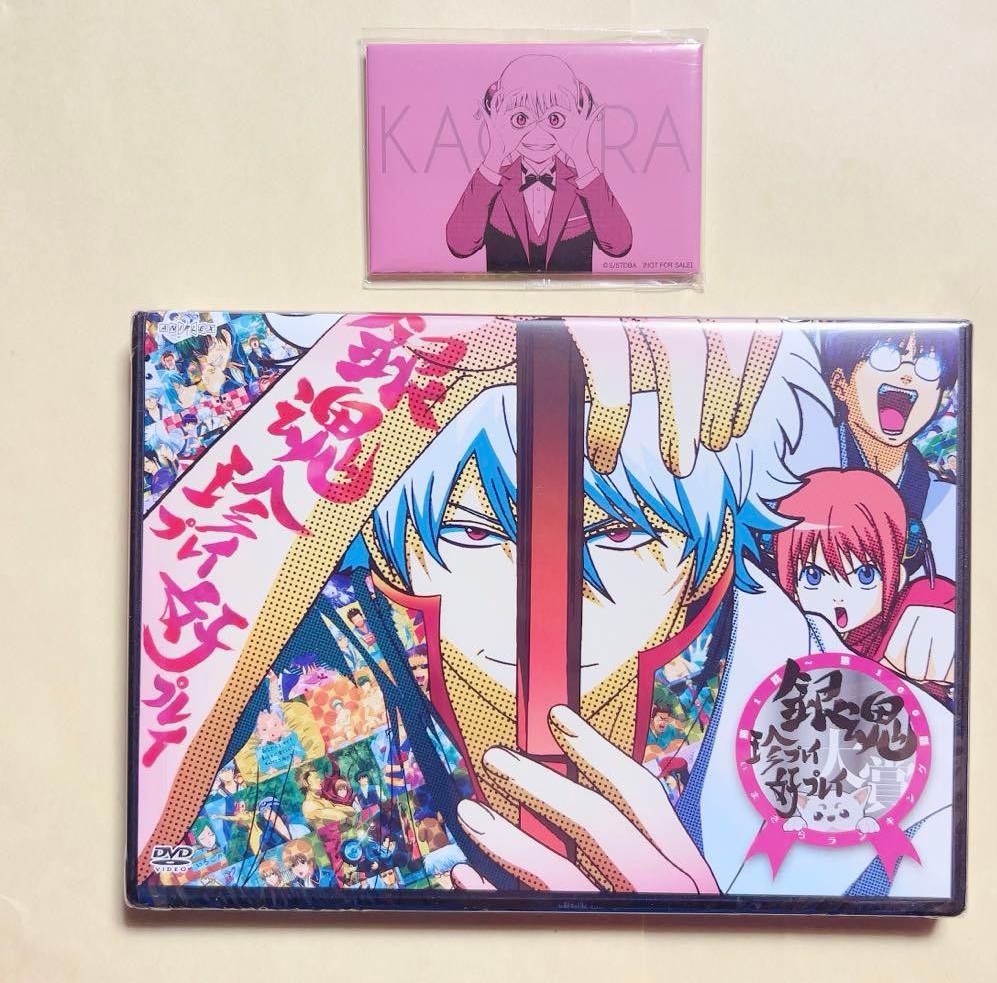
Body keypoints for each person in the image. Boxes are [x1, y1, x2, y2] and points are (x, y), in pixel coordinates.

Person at [139, 316, 955, 902]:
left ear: (705, 560)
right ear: (392, 548)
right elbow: (149, 839)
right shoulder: (325, 667)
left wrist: (702, 927)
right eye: (469, 531)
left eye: (623, 533)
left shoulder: (832, 711)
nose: (539, 600)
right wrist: (412, 361)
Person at [773, 468, 955, 704]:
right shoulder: (788, 630)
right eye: (813, 576)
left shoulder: (902, 618)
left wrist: (941, 627)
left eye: (865, 575)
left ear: (898, 575)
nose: (838, 596)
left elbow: (935, 599)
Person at [446, 55, 631, 273]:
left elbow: (619, 245)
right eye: (520, 119)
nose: (538, 133)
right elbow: (460, 245)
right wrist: (494, 155)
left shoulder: (584, 181)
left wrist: (582, 158)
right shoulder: (491, 181)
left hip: (575, 294)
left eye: (555, 119)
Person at [820, 328, 959, 579]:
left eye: (928, 365)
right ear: (840, 384)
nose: (907, 374)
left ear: (940, 397)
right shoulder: (802, 477)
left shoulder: (945, 501)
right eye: (885, 356)